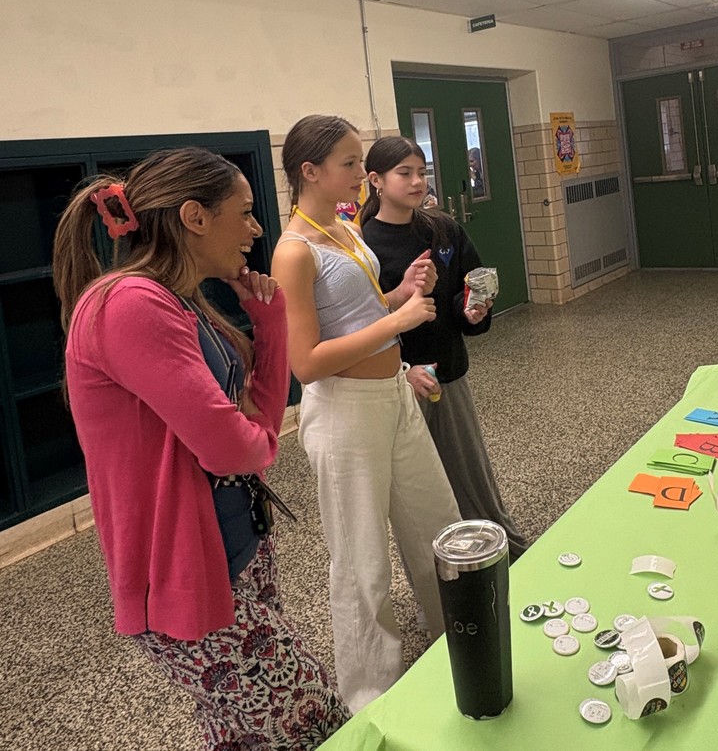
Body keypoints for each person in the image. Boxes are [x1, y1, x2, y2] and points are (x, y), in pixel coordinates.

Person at [53, 147, 348, 750]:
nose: (257, 228)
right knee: (315, 723)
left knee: (242, 736)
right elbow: (235, 449)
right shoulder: (129, 304)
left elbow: (253, 427)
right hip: (184, 572)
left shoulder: (185, 301)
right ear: (194, 217)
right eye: (243, 213)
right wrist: (254, 442)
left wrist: (268, 325)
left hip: (236, 550)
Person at [272, 115, 461, 713]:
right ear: (311, 171)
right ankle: (369, 696)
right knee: (361, 561)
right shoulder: (294, 251)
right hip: (344, 413)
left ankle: (456, 637)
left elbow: (359, 312)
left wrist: (399, 292)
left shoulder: (345, 230)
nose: (362, 174)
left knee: (438, 522)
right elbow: (305, 363)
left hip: (393, 396)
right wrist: (396, 322)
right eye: (351, 164)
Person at [360, 136, 528, 560]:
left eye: (422, 171)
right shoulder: (362, 245)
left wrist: (472, 309)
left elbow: (470, 286)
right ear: (376, 180)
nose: (417, 181)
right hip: (395, 384)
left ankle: (500, 551)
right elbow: (362, 321)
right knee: (418, 490)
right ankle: (443, 570)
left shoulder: (443, 229)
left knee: (471, 474)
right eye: (405, 173)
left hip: (447, 372)